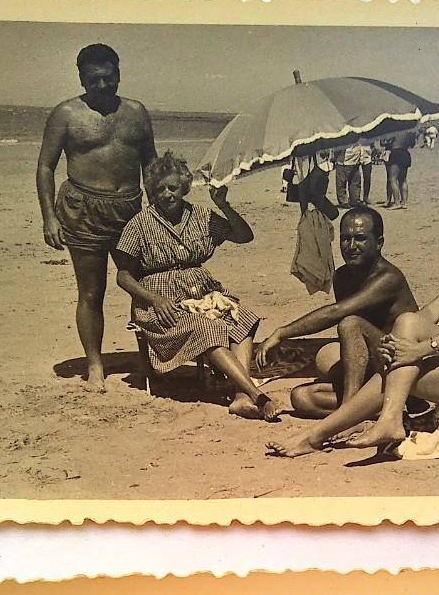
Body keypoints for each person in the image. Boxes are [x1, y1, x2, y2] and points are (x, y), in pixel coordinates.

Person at [267, 177, 439, 458]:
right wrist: (396, 341)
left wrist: (420, 350)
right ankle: (374, 422)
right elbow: (431, 312)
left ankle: (322, 435)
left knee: (395, 374)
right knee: (406, 327)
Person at [114, 151, 278, 421]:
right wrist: (155, 300)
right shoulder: (139, 224)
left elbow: (244, 236)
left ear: (184, 187)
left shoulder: (201, 216)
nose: (167, 194)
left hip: (202, 294)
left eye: (173, 188)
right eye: (160, 189)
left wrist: (224, 205)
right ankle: (255, 393)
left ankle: (240, 397)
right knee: (206, 328)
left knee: (244, 317)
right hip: (161, 305)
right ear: (152, 191)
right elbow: (123, 276)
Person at [37, 43, 157, 389]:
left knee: (144, 286)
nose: (102, 86)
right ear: (82, 79)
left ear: (118, 74)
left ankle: (150, 360)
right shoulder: (65, 114)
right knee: (91, 291)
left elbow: (150, 162)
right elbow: (45, 167)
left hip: (130, 209)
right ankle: (95, 365)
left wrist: (158, 211)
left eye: (108, 78)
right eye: (93, 80)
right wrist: (49, 217)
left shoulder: (137, 112)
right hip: (83, 211)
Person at [257, 206, 418, 419]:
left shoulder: (388, 278)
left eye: (360, 238)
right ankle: (367, 408)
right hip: (374, 369)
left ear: (379, 243)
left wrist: (281, 333)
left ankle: (349, 413)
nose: (351, 246)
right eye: (345, 239)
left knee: (350, 323)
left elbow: (337, 313)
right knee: (301, 398)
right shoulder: (342, 276)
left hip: (400, 365)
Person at [384, 129, 414, 208]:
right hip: (405, 153)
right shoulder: (410, 131)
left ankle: (397, 202)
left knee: (393, 179)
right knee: (403, 179)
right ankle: (404, 202)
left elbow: (386, 142)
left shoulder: (395, 130)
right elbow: (412, 144)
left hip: (396, 152)